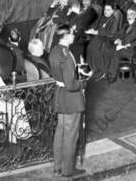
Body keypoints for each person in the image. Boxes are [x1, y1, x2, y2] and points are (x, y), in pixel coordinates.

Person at [49, 25, 87, 178]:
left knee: (60, 132)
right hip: (71, 98)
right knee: (71, 135)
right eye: (72, 34)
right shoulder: (66, 55)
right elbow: (71, 85)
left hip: (60, 96)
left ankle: (57, 167)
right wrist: (83, 81)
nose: (73, 36)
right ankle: (68, 170)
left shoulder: (55, 50)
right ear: (65, 36)